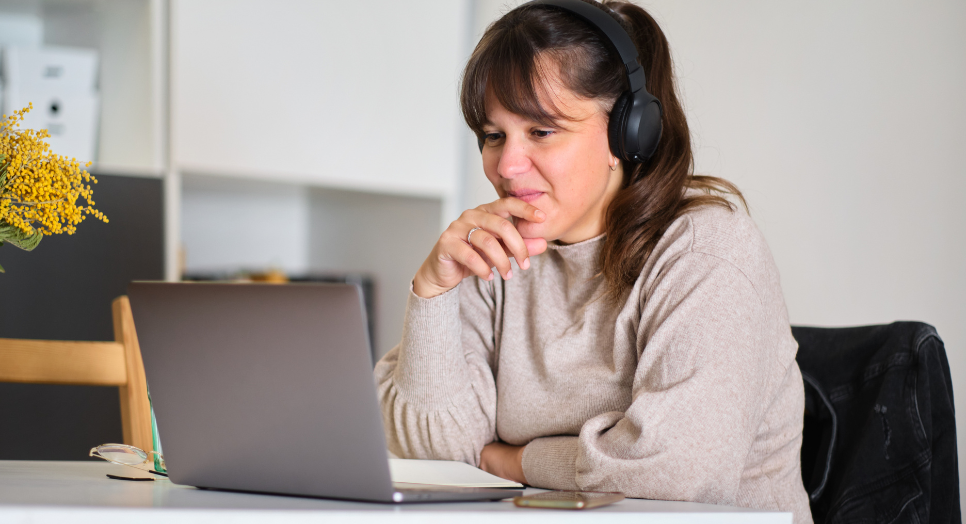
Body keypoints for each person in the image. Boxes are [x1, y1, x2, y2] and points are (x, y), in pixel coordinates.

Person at [374, 1, 812, 522]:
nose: (507, 166)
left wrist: (514, 461)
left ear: (627, 133)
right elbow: (434, 455)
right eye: (494, 136)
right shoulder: (496, 252)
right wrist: (434, 290)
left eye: (541, 131)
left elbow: (676, 474)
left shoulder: (707, 251)